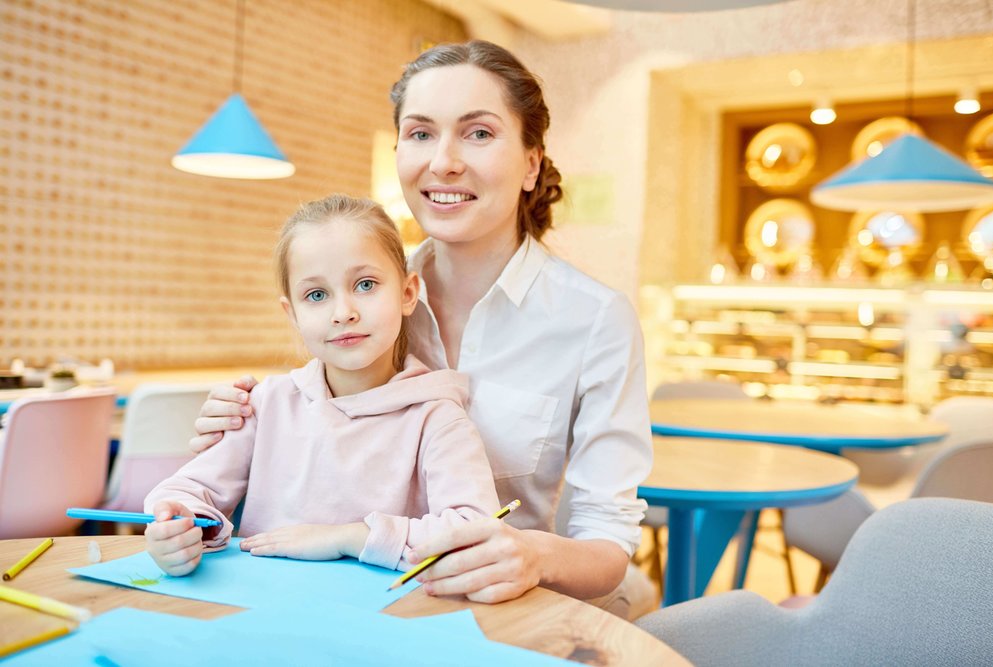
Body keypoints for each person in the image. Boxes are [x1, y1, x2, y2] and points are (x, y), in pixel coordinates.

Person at [190, 41, 656, 618]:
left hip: (495, 613)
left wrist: (535, 555)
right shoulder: (363, 294)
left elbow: (607, 545)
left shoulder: (595, 320)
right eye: (420, 133)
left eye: (478, 133)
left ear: (532, 162)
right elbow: (310, 430)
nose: (443, 162)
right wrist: (241, 418)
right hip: (332, 607)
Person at [145, 194, 499, 577]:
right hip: (263, 610)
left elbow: (475, 531)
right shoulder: (265, 404)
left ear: (407, 293)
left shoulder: (437, 417)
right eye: (316, 295)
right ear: (292, 313)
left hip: (385, 618)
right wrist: (178, 524)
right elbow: (189, 492)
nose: (343, 312)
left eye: (365, 284)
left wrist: (348, 537)